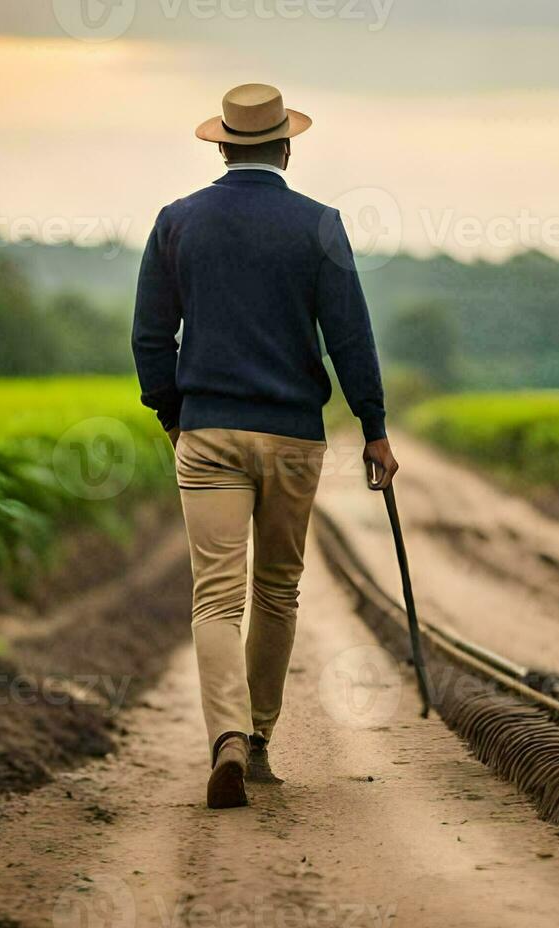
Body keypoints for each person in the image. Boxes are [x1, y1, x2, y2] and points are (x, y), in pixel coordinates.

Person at [131, 82, 398, 810]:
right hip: (292, 436)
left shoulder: (177, 222)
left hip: (208, 430)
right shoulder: (319, 225)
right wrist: (373, 427)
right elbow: (350, 337)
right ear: (286, 145)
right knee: (276, 590)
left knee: (215, 597)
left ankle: (224, 741)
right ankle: (259, 742)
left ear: (221, 144)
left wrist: (172, 415)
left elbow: (150, 337)